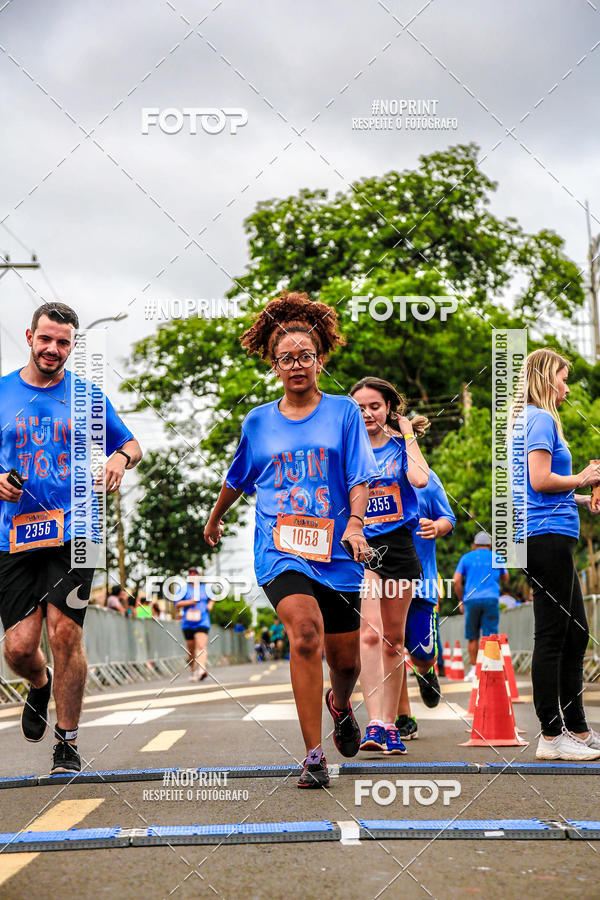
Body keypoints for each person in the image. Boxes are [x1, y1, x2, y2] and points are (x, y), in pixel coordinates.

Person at [204, 291, 379, 788]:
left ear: (320, 358)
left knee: (344, 661)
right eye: (287, 358)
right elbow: (238, 477)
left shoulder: (344, 412)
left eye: (305, 356)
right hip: (280, 549)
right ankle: (312, 754)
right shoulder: (258, 421)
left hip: (337, 551)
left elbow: (360, 475)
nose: (297, 365)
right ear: (275, 365)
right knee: (304, 634)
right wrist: (216, 518)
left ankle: (339, 705)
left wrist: (354, 523)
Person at [0, 302, 142, 774]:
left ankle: (68, 741)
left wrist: (119, 460)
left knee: (65, 632)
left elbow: (130, 444)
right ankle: (39, 684)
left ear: (72, 346)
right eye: (46, 339)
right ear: (29, 336)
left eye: (63, 342)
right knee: (19, 647)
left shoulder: (86, 396)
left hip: (77, 528)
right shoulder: (2, 393)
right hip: (14, 534)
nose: (53, 349)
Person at [510, 348, 600, 760]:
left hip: (546, 530)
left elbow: (539, 487)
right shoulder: (540, 418)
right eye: (563, 378)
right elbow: (542, 479)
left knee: (576, 630)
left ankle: (577, 727)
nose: (566, 387)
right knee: (552, 634)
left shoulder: (526, 420)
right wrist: (582, 475)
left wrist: (581, 498)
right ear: (546, 378)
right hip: (544, 536)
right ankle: (550, 735)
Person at [349, 377, 429, 755]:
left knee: (394, 640)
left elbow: (420, 478)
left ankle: (391, 724)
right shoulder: (348, 449)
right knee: (369, 634)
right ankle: (374, 723)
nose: (366, 413)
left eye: (374, 406)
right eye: (359, 407)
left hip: (399, 547)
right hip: (362, 545)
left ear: (388, 409)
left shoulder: (400, 449)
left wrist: (408, 433)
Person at [395, 468, 456, 741]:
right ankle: (403, 716)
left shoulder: (425, 478)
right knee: (391, 649)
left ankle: (426, 670)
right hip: (382, 584)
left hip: (423, 584)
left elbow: (448, 518)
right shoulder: (364, 471)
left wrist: (437, 526)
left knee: (423, 653)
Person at [453, 532, 508, 680]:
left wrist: (461, 599)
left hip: (471, 600)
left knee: (472, 637)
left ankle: (473, 670)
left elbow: (456, 580)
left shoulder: (466, 558)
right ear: (490, 545)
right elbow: (506, 577)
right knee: (490, 636)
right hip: (491, 599)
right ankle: (490, 669)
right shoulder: (497, 557)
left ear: (475, 544)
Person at [175, 566, 214, 681]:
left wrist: (210, 604)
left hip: (203, 621)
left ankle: (202, 670)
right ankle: (193, 670)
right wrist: (190, 602)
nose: (193, 575)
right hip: (188, 623)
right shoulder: (184, 589)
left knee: (201, 645)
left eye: (195, 573)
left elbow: (213, 598)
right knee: (191, 651)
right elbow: (177, 603)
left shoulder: (205, 588)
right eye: (190, 573)